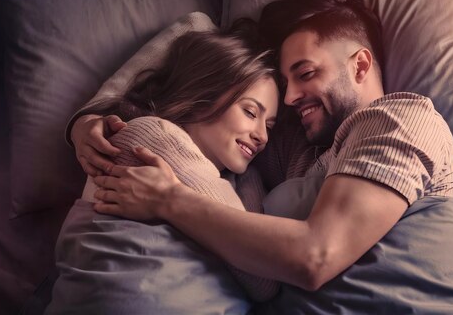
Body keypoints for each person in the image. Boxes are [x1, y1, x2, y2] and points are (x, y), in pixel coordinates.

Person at [70, 0, 453, 310]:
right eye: (286, 82)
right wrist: (86, 120)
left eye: (306, 73)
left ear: (360, 65)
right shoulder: (301, 149)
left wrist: (169, 199)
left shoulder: (399, 119)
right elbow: (200, 39)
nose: (291, 96)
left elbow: (316, 257)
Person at [47, 29, 281, 314]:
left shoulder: (231, 177)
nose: (262, 136)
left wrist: (248, 178)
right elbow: (264, 280)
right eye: (250, 112)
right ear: (205, 93)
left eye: (269, 126)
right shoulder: (152, 136)